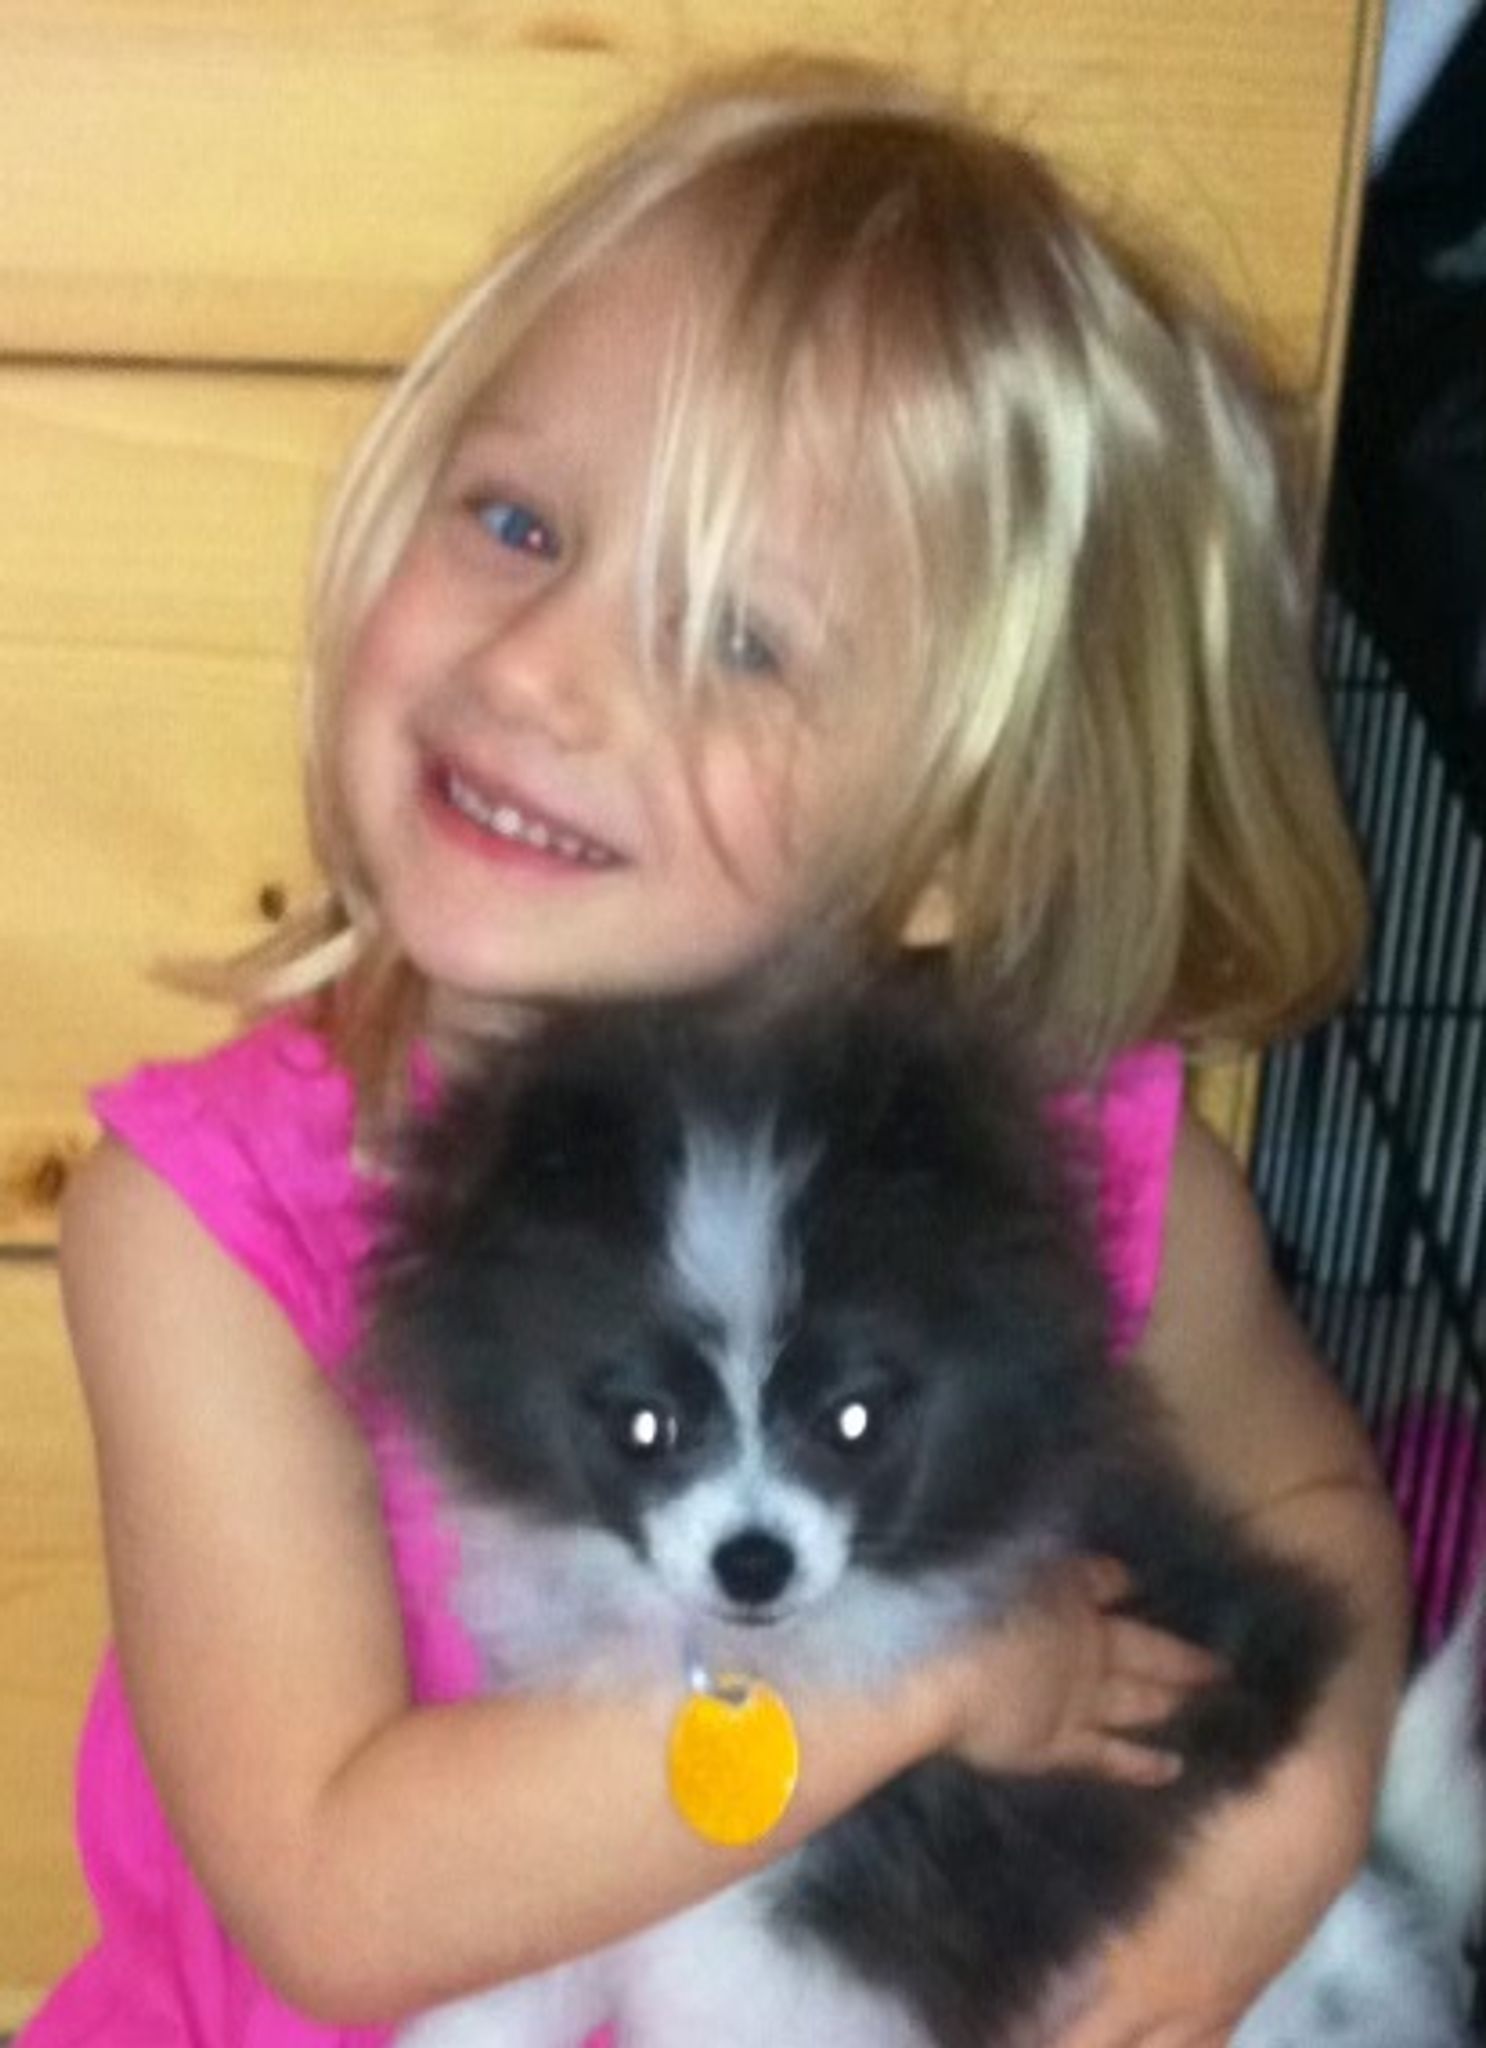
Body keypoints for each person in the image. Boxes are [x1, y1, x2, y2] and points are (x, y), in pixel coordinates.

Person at [24, 57, 1411, 2048]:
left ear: (962, 831)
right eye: (518, 523)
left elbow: (1303, 1502)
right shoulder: (216, 1229)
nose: (540, 670)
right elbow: (335, 1900)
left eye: (739, 640)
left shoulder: (1058, 1163)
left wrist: (1288, 1825)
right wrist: (902, 1678)